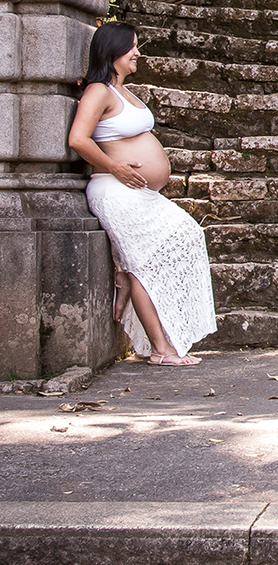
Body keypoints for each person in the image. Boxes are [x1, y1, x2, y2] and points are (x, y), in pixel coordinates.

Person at [68, 21, 216, 368]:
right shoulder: (98, 91)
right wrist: (114, 167)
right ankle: (161, 349)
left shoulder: (122, 91)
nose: (137, 53)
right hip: (115, 190)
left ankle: (128, 281)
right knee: (144, 265)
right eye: (132, 46)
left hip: (136, 194)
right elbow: (78, 139)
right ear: (113, 50)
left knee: (186, 235)